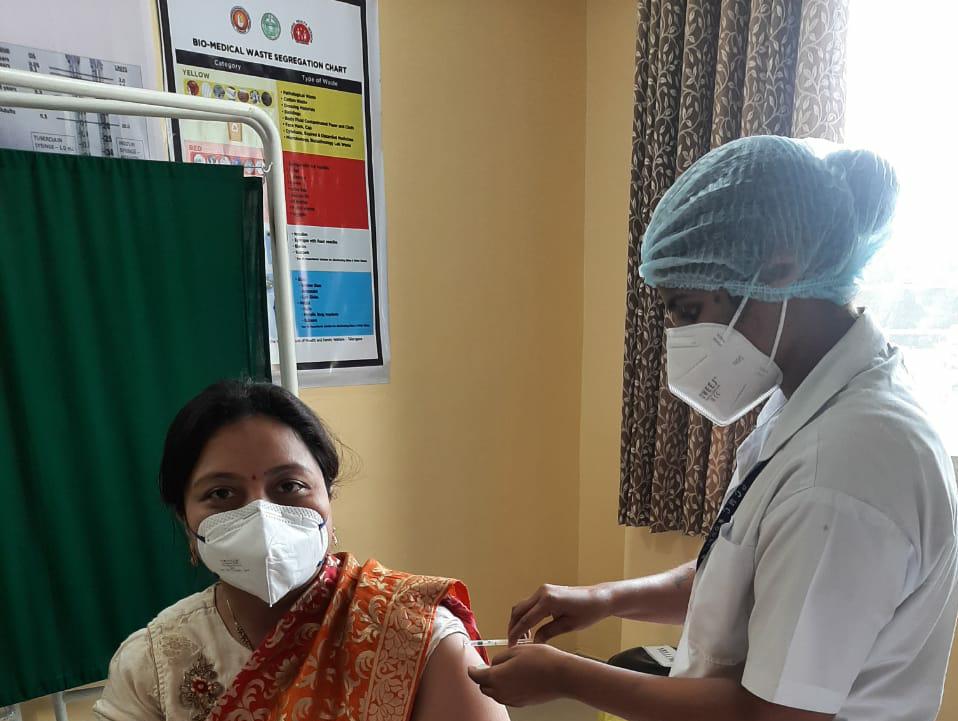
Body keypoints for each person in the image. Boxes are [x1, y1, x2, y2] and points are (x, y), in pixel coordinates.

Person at [469, 135, 958, 721]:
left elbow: (772, 716)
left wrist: (568, 676)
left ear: (781, 269)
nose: (680, 339)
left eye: (690, 310)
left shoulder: (843, 472)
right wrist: (604, 598)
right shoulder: (813, 398)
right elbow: (737, 577)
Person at [94, 380, 508, 721]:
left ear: (328, 499)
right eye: (221, 493)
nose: (261, 515)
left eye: (289, 486)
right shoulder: (152, 665)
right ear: (186, 523)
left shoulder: (417, 637)